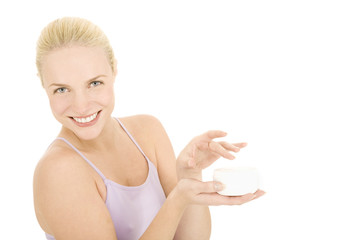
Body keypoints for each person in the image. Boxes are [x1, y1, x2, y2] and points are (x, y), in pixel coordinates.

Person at [33, 17, 265, 240]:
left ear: (114, 71)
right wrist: (176, 200)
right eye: (62, 90)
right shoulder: (59, 170)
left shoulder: (148, 131)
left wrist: (190, 176)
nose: (81, 106)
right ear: (45, 88)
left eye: (95, 83)